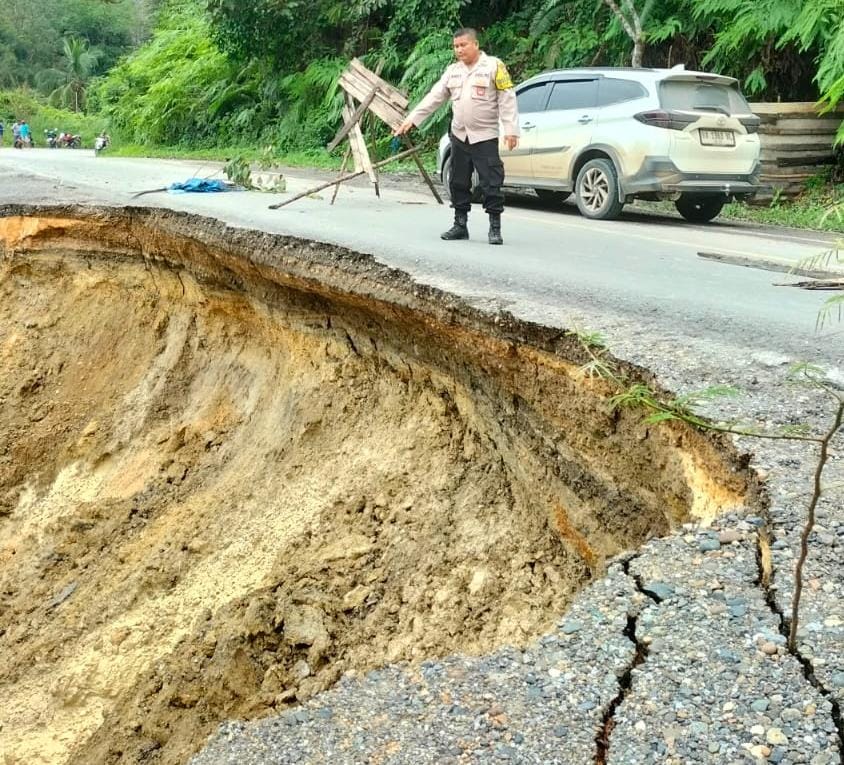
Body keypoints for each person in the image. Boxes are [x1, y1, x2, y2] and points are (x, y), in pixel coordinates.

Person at [394, 27, 519, 245]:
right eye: (456, 46)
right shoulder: (453, 71)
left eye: (463, 45)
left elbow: (507, 99)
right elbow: (434, 97)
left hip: (485, 136)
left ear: (476, 45)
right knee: (458, 181)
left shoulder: (493, 67)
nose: (459, 50)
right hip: (459, 135)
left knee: (491, 182)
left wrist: (511, 130)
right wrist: (412, 119)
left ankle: (494, 228)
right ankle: (460, 225)